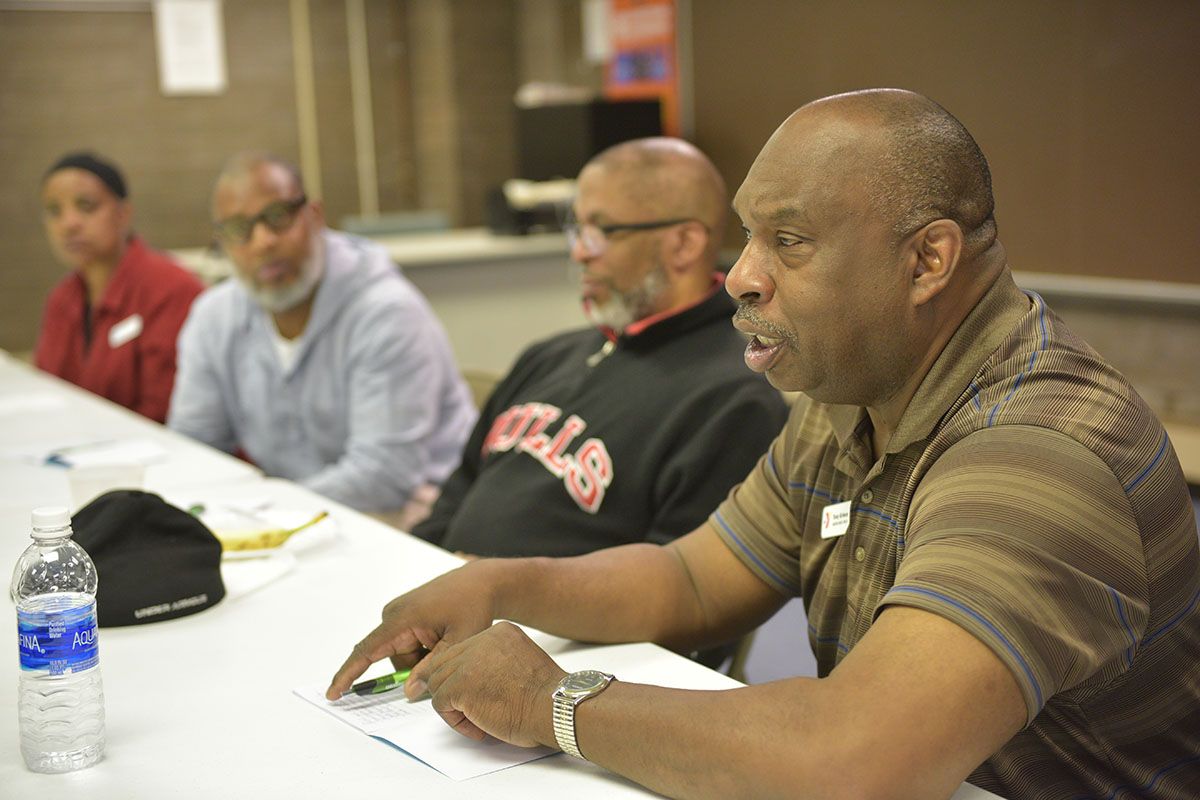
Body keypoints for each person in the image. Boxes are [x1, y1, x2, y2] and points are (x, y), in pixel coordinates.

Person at [327, 90, 1200, 799]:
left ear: (928, 261)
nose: (741, 275)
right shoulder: (853, 389)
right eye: (748, 235)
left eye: (788, 241)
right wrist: (504, 581)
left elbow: (853, 760)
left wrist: (552, 702)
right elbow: (696, 578)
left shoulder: (1036, 452)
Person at [411, 137, 787, 558]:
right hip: (447, 601)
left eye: (602, 230)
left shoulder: (732, 400)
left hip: (542, 621)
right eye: (577, 228)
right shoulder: (548, 355)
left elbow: (679, 594)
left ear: (684, 244)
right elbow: (457, 492)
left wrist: (494, 587)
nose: (579, 253)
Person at [168, 152, 476, 518]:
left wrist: (263, 512)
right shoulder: (214, 318)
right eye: (239, 229)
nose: (262, 241)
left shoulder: (387, 313)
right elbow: (194, 449)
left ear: (314, 216)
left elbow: (383, 477)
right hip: (302, 514)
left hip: (419, 514)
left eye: (277, 218)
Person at [35, 152, 204, 423]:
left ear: (123, 214)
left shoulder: (171, 288)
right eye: (55, 211)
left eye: (86, 206)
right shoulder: (60, 300)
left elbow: (167, 411)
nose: (69, 224)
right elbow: (46, 395)